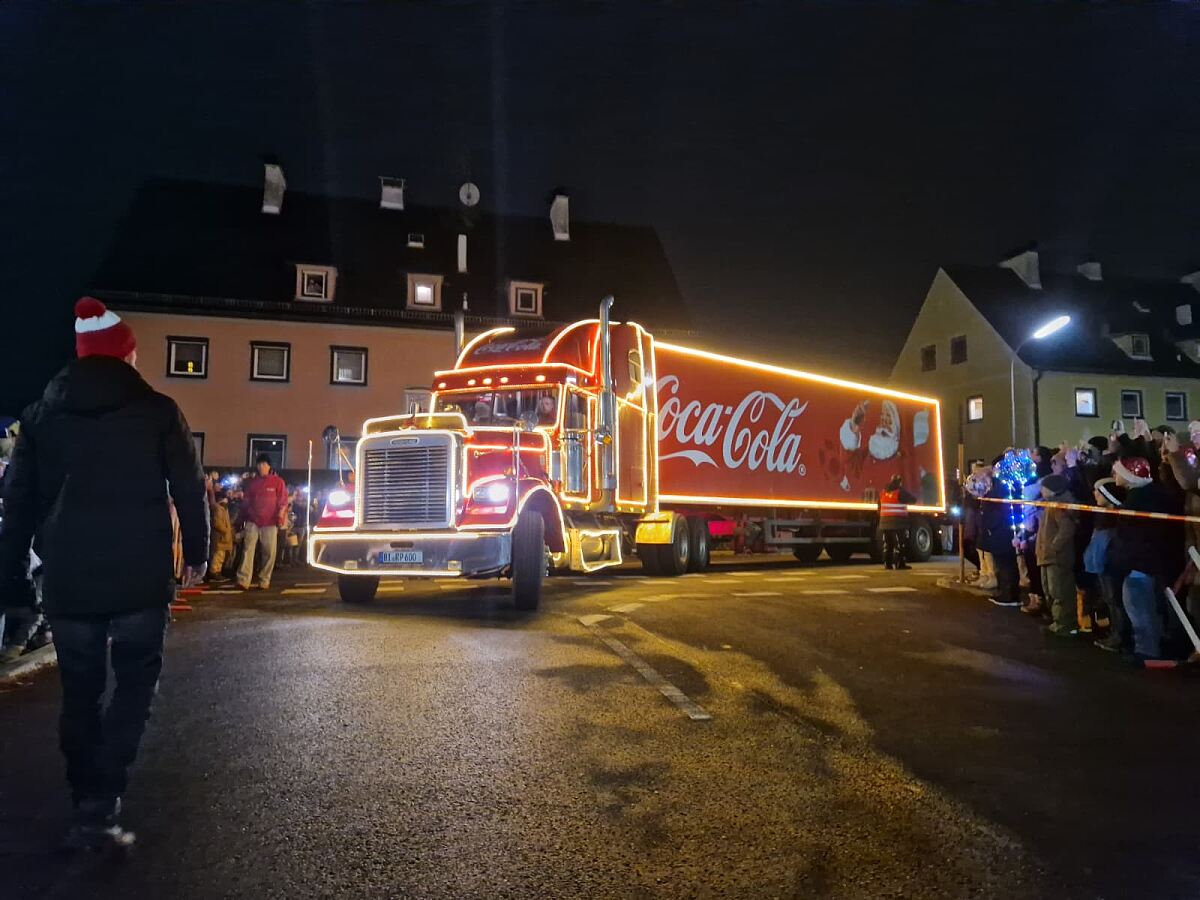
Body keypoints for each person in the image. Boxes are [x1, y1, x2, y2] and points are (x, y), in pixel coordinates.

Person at [0, 298, 208, 850]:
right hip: (139, 571)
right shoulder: (159, 410)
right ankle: (105, 793)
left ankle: (83, 792)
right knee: (136, 682)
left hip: (69, 573)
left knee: (80, 689)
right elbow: (189, 485)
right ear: (128, 355)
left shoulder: (40, 415)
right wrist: (198, 553)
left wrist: (14, 577)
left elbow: (17, 503)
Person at [1107, 456, 1170, 662]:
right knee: (1143, 608)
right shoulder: (1143, 497)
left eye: (1118, 472)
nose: (1114, 476)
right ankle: (1146, 647)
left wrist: (1122, 561)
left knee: (1139, 609)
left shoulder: (1137, 500)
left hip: (1138, 564)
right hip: (1143, 562)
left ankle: (1146, 651)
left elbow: (1132, 537)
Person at [1036, 474, 1079, 637]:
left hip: (1057, 557)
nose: (1041, 490)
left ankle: (1065, 623)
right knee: (1050, 589)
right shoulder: (1050, 505)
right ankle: (1057, 620)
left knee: (1059, 590)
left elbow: (1066, 530)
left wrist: (1054, 547)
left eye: (1044, 487)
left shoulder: (1060, 507)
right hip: (1047, 555)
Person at [236, 454, 288, 590]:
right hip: (252, 521)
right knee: (247, 550)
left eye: (264, 464)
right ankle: (243, 580)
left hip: (270, 522)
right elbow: (246, 502)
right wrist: (240, 520)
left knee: (269, 552)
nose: (261, 467)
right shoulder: (252, 483)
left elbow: (283, 502)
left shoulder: (278, 482)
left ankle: (264, 580)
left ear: (269, 466)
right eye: (259, 464)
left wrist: (280, 518)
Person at [878, 474, 916, 570]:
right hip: (898, 523)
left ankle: (887, 564)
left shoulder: (883, 493)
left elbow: (879, 508)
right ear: (899, 482)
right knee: (899, 544)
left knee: (888, 544)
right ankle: (900, 564)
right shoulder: (900, 492)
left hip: (884, 523)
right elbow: (913, 500)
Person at [209, 490, 235, 581]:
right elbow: (217, 523)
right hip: (220, 537)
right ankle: (214, 572)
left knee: (221, 556)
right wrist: (226, 530)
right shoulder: (218, 509)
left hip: (224, 537)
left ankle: (217, 571)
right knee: (218, 556)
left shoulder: (223, 509)